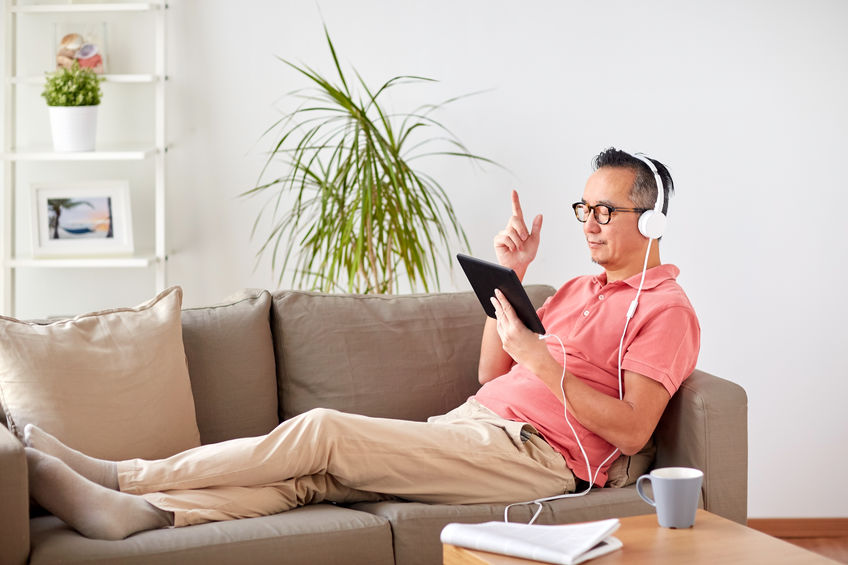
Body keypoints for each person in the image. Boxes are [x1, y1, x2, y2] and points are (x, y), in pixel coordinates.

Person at [23, 147, 699, 540]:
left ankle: (121, 473)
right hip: (478, 426)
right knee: (316, 477)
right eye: (585, 208)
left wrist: (546, 365)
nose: (590, 223)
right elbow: (490, 367)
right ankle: (143, 513)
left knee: (323, 433)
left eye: (606, 211)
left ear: (654, 217)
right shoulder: (580, 289)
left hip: (539, 458)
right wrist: (514, 286)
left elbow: (636, 426)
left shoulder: (666, 310)